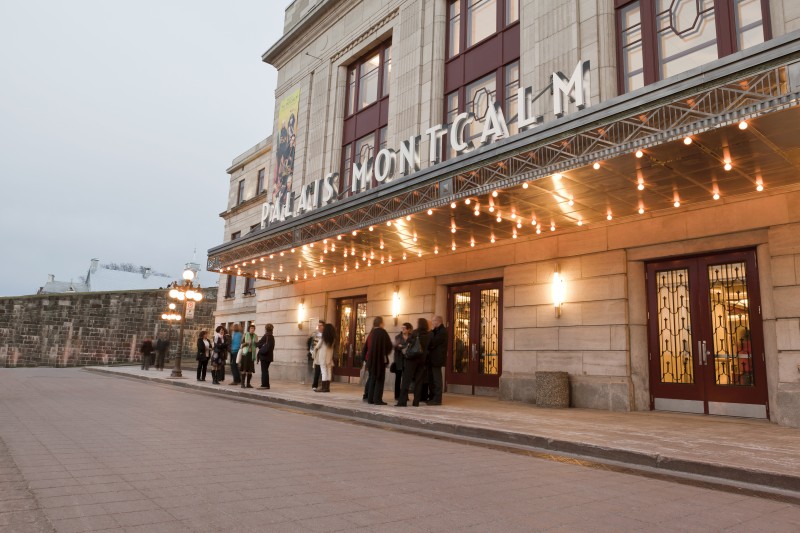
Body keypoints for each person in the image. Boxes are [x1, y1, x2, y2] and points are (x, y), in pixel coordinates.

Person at [396, 318, 431, 407]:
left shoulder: (415, 333)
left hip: (411, 359)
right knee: (419, 381)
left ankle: (402, 401)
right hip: (422, 360)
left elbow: (408, 343)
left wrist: (401, 346)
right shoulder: (428, 335)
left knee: (406, 380)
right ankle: (416, 402)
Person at [365, 317, 393, 405]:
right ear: (381, 323)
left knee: (372, 378)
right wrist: (385, 352)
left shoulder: (371, 333)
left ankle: (370, 399)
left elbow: (367, 346)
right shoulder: (383, 332)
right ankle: (377, 399)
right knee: (380, 378)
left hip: (371, 359)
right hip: (380, 359)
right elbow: (389, 345)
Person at [427, 316, 447, 405]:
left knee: (437, 379)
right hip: (432, 358)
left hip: (437, 358)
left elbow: (433, 342)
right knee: (432, 379)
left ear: (438, 321)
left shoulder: (442, 331)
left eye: (433, 321)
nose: (432, 323)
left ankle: (437, 399)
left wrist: (429, 342)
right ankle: (432, 397)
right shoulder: (435, 331)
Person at [313, 323, 336, 393]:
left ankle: (323, 387)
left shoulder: (323, 337)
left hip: (323, 356)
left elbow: (317, 346)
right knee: (329, 370)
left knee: (324, 371)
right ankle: (327, 387)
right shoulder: (333, 338)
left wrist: (315, 349)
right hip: (329, 356)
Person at [392, 323, 413, 400]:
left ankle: (405, 396)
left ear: (409, 329)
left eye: (404, 328)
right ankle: (397, 395)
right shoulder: (398, 337)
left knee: (406, 379)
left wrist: (402, 346)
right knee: (398, 378)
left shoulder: (412, 337)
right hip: (399, 361)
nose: (403, 329)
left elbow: (412, 347)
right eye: (402, 328)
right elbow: (396, 347)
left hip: (408, 360)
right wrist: (404, 347)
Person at [239, 324, 258, 389]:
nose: (252, 329)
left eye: (253, 328)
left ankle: (248, 384)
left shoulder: (255, 336)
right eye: (251, 328)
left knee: (250, 370)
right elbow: (241, 345)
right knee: (244, 369)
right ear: (249, 329)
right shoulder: (245, 335)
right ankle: (242, 384)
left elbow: (256, 345)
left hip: (252, 354)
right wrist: (246, 343)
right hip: (245, 354)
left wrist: (256, 344)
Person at [257, 324, 275, 389]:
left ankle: (264, 385)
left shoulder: (266, 336)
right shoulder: (272, 337)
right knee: (266, 370)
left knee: (264, 371)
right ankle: (267, 385)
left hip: (264, 356)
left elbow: (258, 344)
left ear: (266, 329)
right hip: (269, 356)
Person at [309, 320, 324, 390]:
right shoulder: (315, 335)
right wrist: (312, 352)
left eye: (320, 325)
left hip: (323, 355)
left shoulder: (325, 335)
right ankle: (315, 385)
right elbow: (312, 345)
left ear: (323, 326)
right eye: (318, 325)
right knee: (317, 370)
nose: (319, 327)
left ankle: (324, 385)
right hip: (317, 355)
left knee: (324, 371)